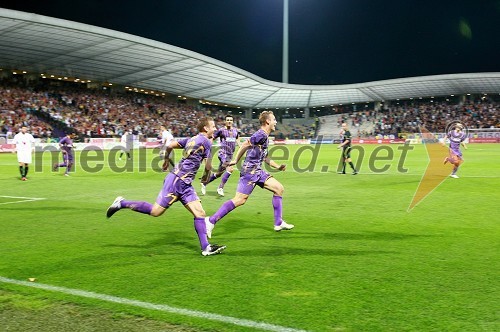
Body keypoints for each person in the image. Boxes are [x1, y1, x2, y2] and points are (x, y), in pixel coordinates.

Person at [106, 117, 226, 256]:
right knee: (156, 211)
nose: (215, 129)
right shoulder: (206, 141)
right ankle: (122, 203)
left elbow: (169, 146)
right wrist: (206, 177)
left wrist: (166, 161)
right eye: (213, 126)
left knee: (200, 213)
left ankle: (206, 248)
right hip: (177, 181)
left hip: (185, 184)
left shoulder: (191, 139)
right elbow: (208, 165)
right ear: (205, 128)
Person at [204, 111, 294, 239]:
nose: (275, 122)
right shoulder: (261, 134)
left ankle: (278, 222)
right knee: (240, 200)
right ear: (267, 121)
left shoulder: (265, 137)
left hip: (258, 171)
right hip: (250, 172)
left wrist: (278, 166)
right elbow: (246, 144)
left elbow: (265, 157)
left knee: (279, 189)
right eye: (274, 119)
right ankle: (210, 221)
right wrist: (236, 160)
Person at [201, 115, 240, 197]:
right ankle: (220, 188)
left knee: (219, 174)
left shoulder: (235, 131)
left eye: (231, 120)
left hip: (230, 155)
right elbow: (213, 138)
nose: (229, 121)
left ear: (233, 121)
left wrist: (241, 147)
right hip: (223, 153)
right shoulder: (221, 130)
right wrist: (208, 145)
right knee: (230, 168)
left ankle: (204, 183)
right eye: (228, 120)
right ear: (225, 121)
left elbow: (237, 139)